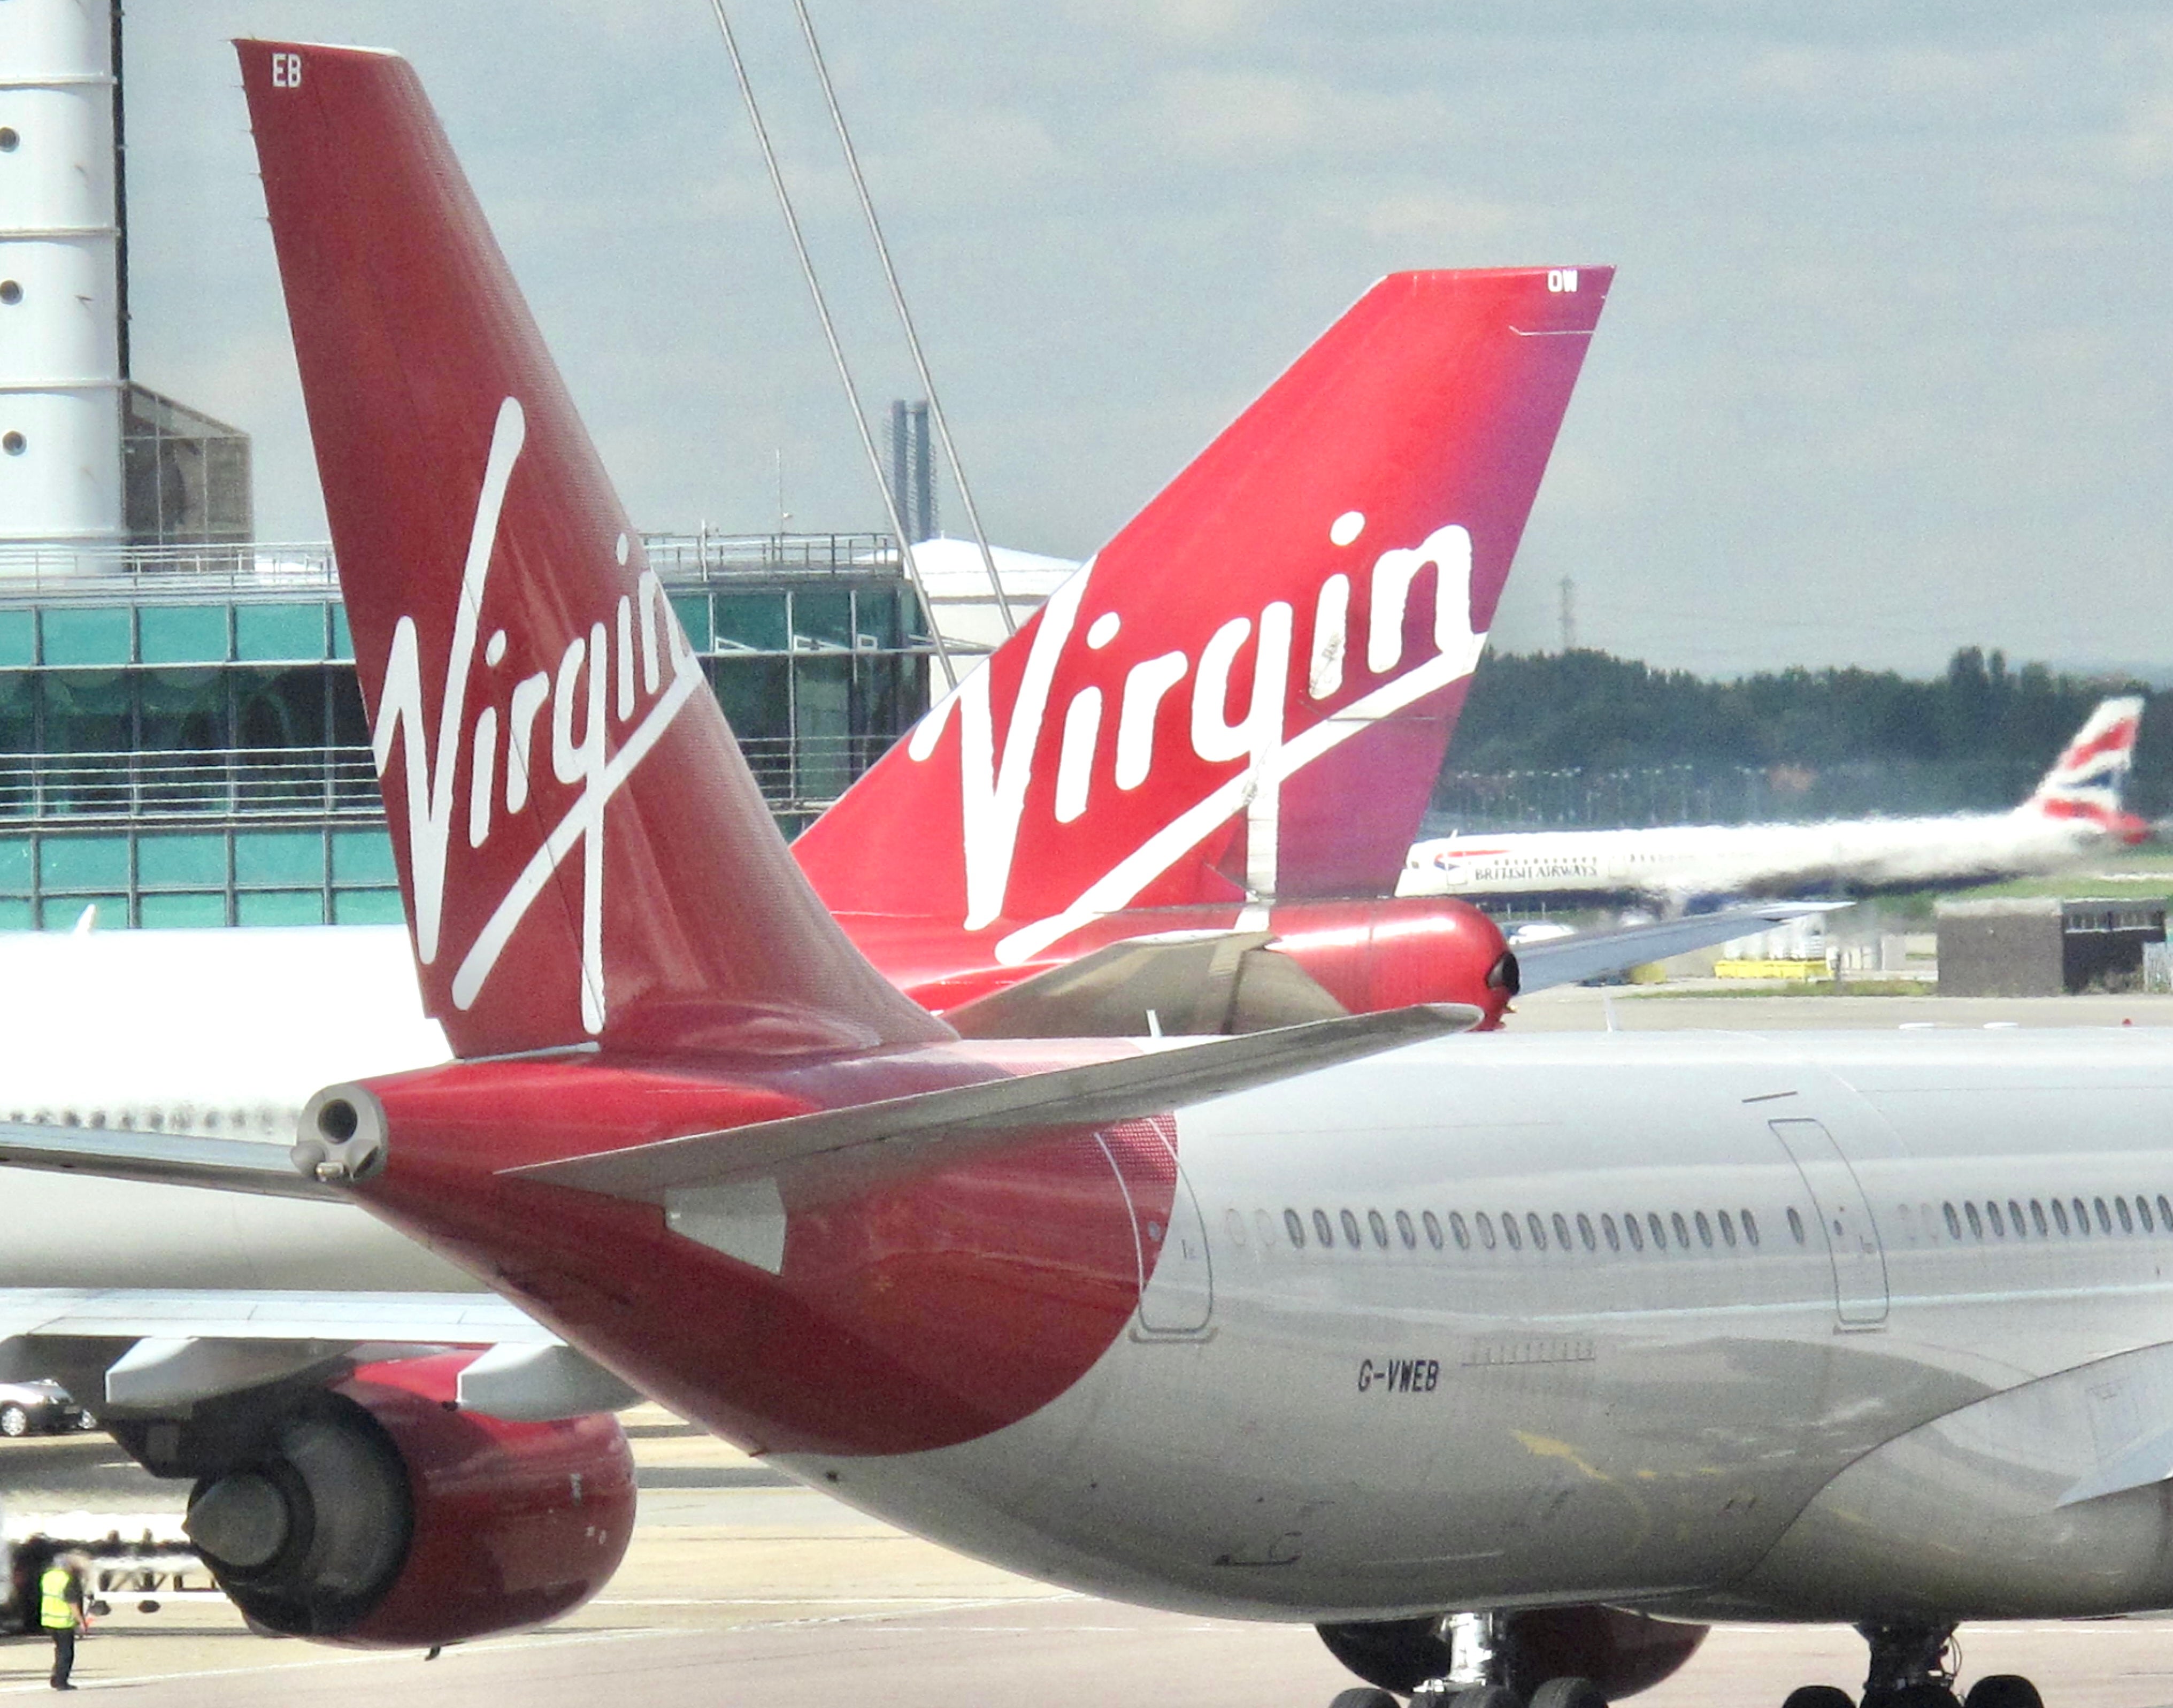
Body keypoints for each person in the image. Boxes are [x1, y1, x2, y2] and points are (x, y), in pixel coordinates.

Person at [38, 1553, 85, 1691]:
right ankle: (61, 1681)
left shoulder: (48, 1577)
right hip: (63, 1621)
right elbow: (72, 1602)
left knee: (59, 1650)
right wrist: (81, 1621)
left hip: (48, 1619)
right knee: (66, 1653)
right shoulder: (68, 1579)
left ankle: (56, 1676)